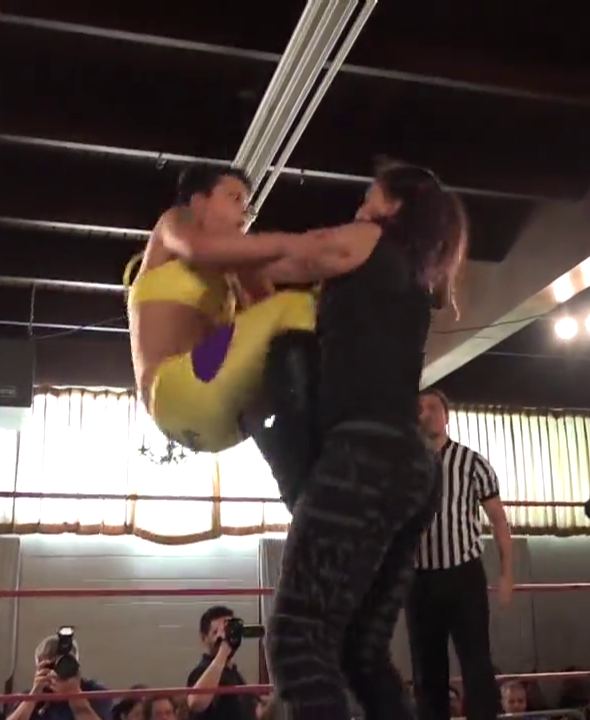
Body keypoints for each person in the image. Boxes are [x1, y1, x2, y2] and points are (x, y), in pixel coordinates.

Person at [168, 160, 467, 718]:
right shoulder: (413, 272)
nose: (361, 203)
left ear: (394, 205)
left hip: (365, 457)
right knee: (360, 651)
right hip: (409, 468)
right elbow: (275, 280)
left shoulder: (370, 239)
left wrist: (200, 241)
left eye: (371, 194)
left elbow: (291, 255)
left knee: (295, 639)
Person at [125, 165, 320, 455]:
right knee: (299, 305)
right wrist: (295, 245)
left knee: (307, 318)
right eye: (235, 198)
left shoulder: (234, 270)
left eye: (247, 206)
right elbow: (197, 249)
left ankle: (307, 452)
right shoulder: (175, 222)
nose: (244, 214)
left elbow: (273, 319)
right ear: (199, 201)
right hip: (172, 392)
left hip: (222, 423)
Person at [407, 387, 514, 720]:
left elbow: (498, 520)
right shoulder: (404, 466)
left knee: (477, 665)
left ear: (447, 416)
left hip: (463, 575)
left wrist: (507, 573)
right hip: (420, 579)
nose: (428, 413)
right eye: (421, 408)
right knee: (427, 670)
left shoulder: (472, 462)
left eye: (434, 407)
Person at [4, 634, 109, 720]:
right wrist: (33, 696)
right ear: (39, 667)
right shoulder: (27, 698)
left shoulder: (95, 692)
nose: (58, 670)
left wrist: (75, 696)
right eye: (51, 666)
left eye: (64, 664)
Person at [186, 605, 253, 720]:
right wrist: (224, 649)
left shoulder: (234, 674)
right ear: (204, 638)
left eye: (228, 631)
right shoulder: (201, 671)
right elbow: (196, 702)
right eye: (215, 632)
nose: (224, 636)